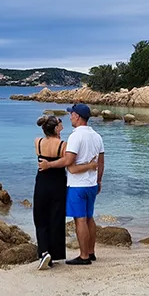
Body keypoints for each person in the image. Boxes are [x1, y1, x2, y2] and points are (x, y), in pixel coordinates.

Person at [38, 103, 104, 266]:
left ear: (78, 117)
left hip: (78, 185)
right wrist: (98, 180)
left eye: (72, 114)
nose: (70, 117)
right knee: (89, 218)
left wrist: (49, 165)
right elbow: (101, 162)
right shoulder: (97, 136)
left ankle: (83, 256)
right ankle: (91, 252)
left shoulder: (76, 136)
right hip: (91, 184)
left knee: (80, 220)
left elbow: (69, 163)